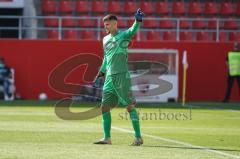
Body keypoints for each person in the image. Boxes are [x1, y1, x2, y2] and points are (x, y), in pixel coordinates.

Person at [93, 9, 144, 146]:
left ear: (115, 24)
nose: (105, 27)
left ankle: (138, 137)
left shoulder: (124, 35)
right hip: (109, 77)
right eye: (104, 25)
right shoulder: (105, 39)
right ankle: (107, 138)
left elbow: (133, 30)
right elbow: (106, 57)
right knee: (104, 107)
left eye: (107, 24)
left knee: (129, 106)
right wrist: (102, 71)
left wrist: (137, 21)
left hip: (122, 75)